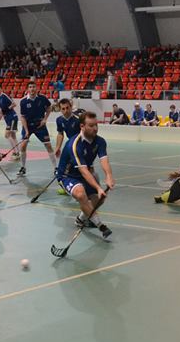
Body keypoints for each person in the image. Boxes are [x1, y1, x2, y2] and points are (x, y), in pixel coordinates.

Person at [55, 111, 114, 240]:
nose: (95, 128)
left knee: (100, 199)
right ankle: (101, 226)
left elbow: (104, 160)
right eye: (91, 126)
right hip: (67, 176)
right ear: (82, 126)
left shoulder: (100, 141)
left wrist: (109, 176)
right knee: (81, 194)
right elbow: (84, 171)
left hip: (84, 175)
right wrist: (98, 187)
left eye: (96, 125)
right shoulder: (74, 145)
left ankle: (81, 219)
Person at [19, 81, 57, 176]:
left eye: (34, 87)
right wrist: (26, 130)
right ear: (28, 89)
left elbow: (49, 108)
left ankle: (56, 168)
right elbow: (22, 117)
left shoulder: (42, 98)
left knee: (48, 145)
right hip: (28, 126)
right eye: (30, 87)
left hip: (40, 125)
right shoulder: (23, 101)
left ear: (37, 88)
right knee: (23, 145)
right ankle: (23, 167)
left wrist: (45, 119)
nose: (32, 89)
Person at [0, 85, 20, 164]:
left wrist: (6, 110)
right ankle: (17, 153)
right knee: (13, 136)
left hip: (12, 117)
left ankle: (16, 153)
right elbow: (2, 111)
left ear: (1, 89)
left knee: (7, 135)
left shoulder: (4, 96)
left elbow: (14, 104)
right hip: (7, 119)